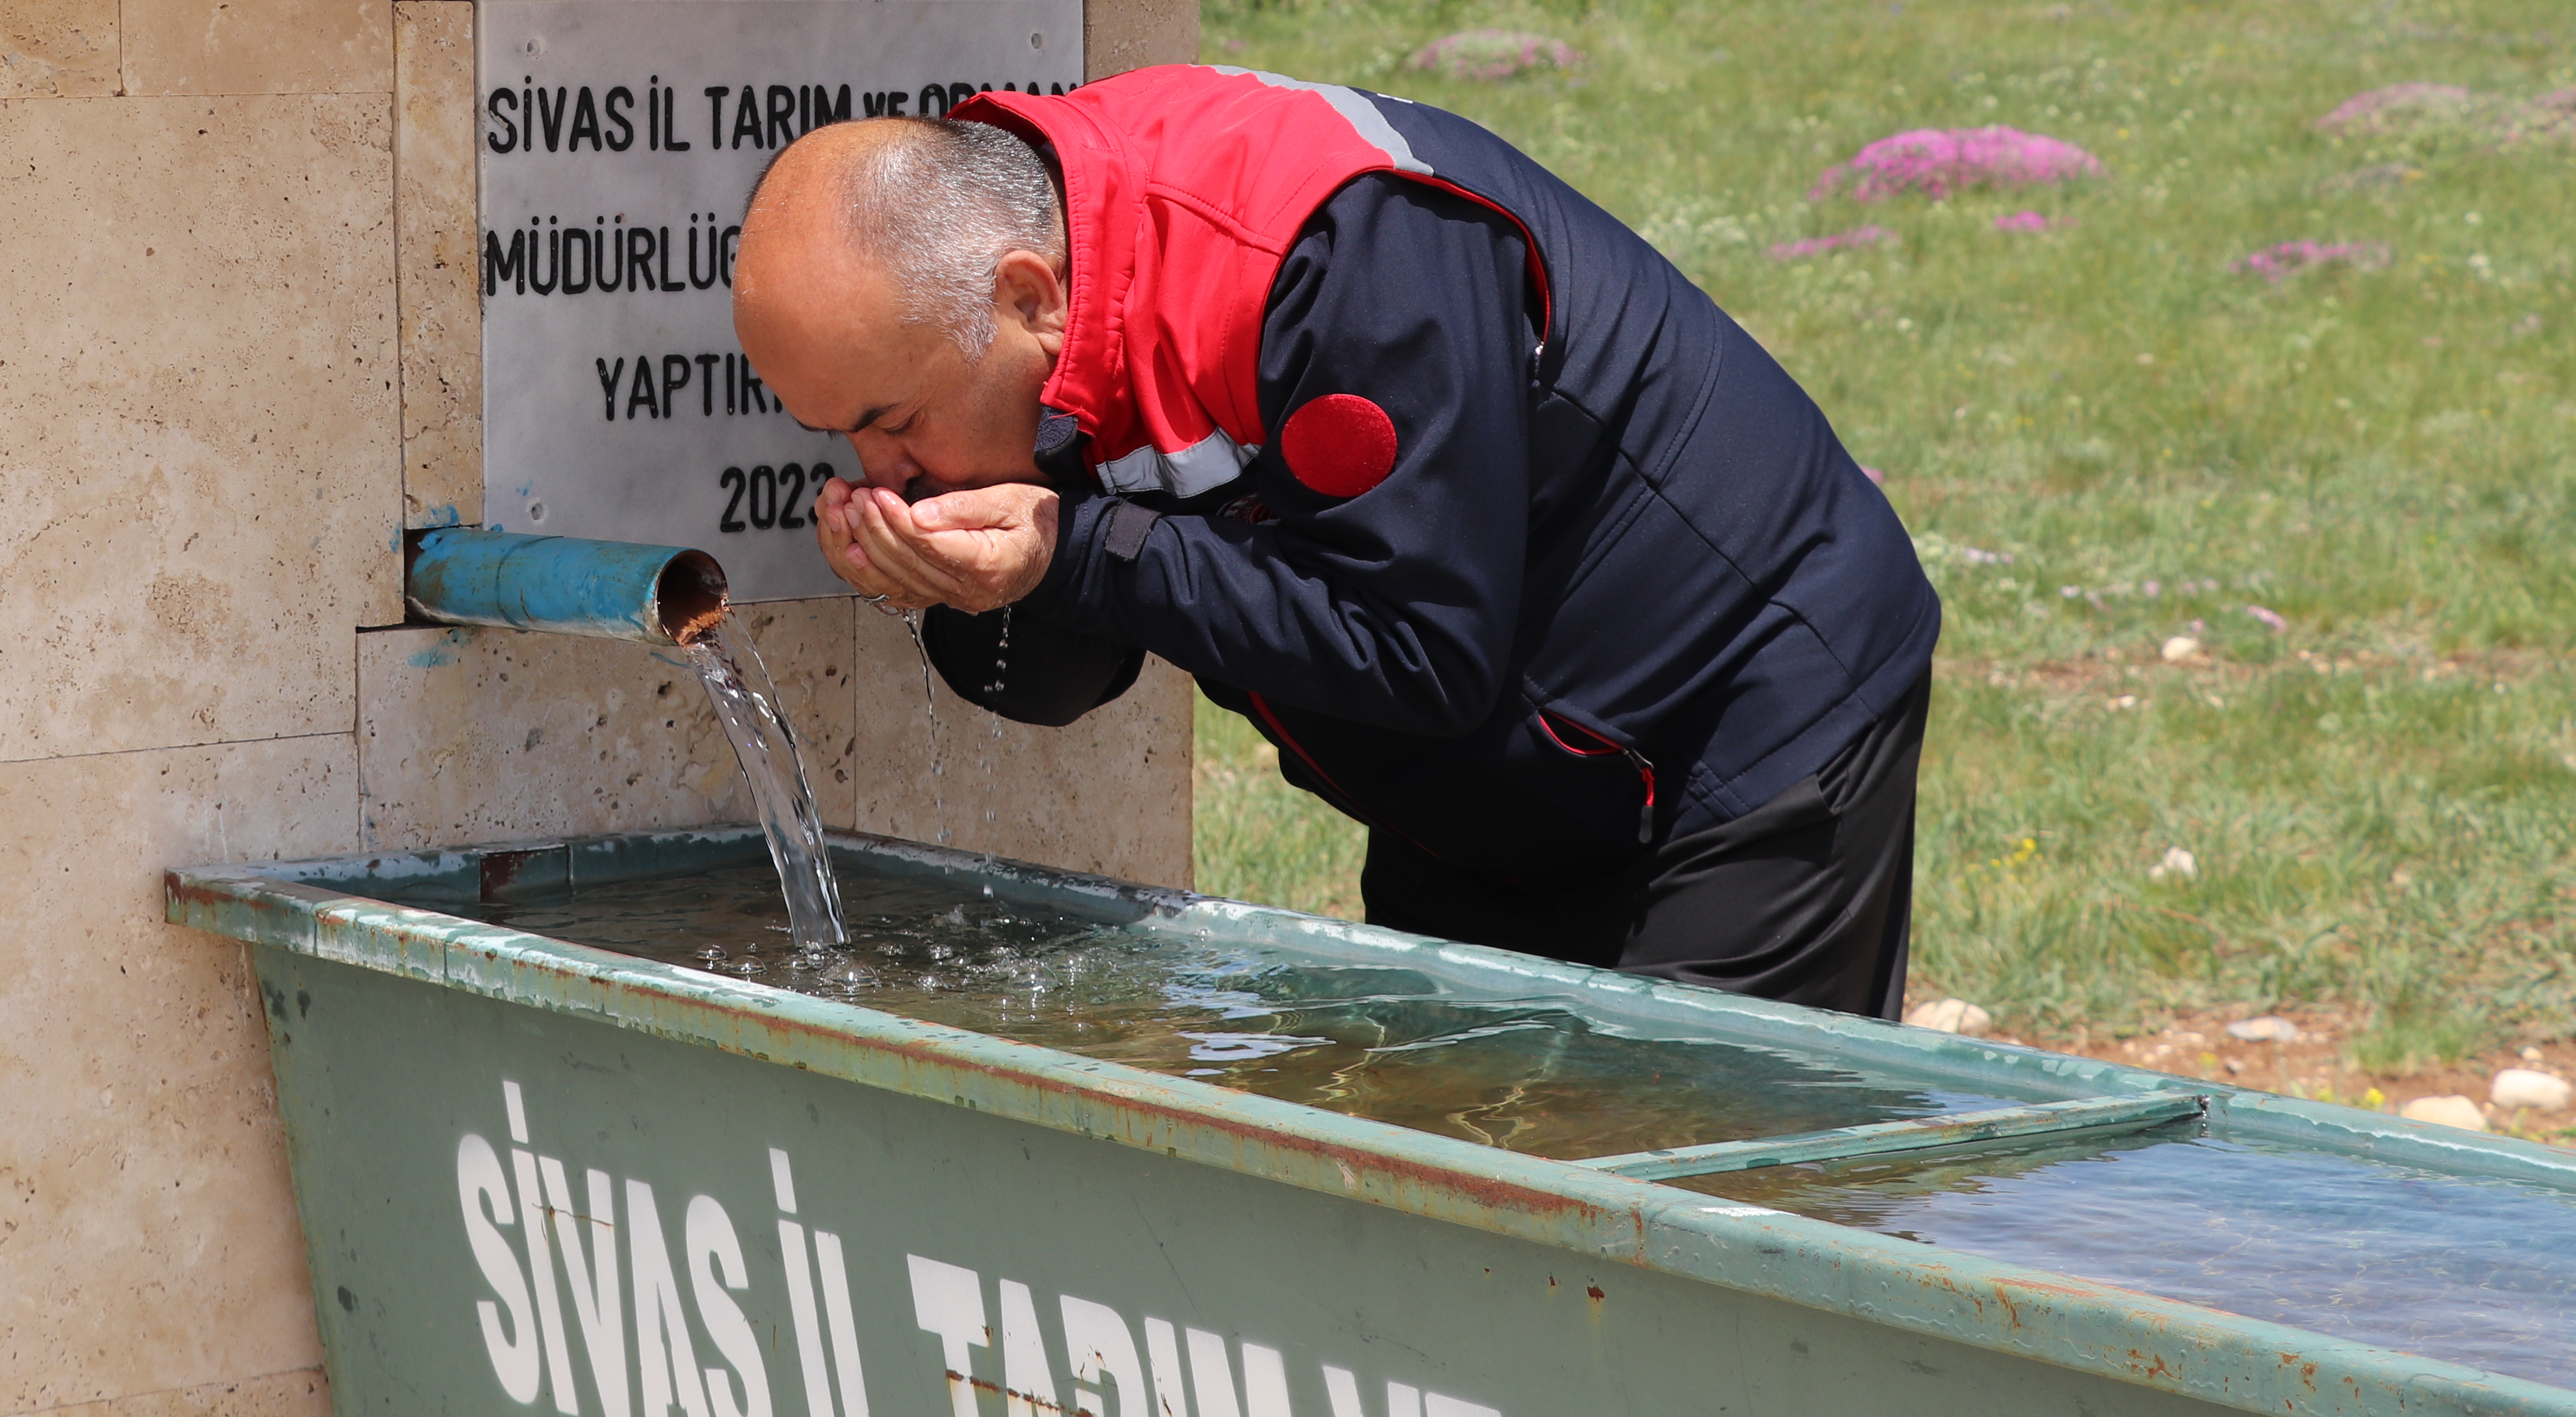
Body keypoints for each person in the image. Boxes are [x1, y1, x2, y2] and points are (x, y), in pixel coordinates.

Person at [728, 64, 1939, 1018]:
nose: (881, 472)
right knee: (1453, 1186)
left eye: (892, 424)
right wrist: (973, 579)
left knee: (1704, 1230)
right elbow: (1066, 667)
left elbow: (1421, 649)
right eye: (843, 438)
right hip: (1487, 775)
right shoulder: (1048, 313)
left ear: (1030, 294)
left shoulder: (1332, 258)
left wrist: (1075, 553)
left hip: (1733, 722)